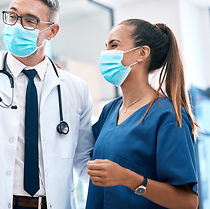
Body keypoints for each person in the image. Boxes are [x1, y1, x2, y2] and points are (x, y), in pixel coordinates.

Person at [0, 0, 94, 208]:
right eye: (12, 16)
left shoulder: (75, 89)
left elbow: (83, 160)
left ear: (52, 31)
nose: (16, 26)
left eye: (29, 21)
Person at [85, 18, 198, 208]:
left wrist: (128, 178)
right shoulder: (110, 111)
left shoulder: (167, 116)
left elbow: (188, 202)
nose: (106, 54)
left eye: (114, 45)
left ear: (142, 53)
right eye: (106, 46)